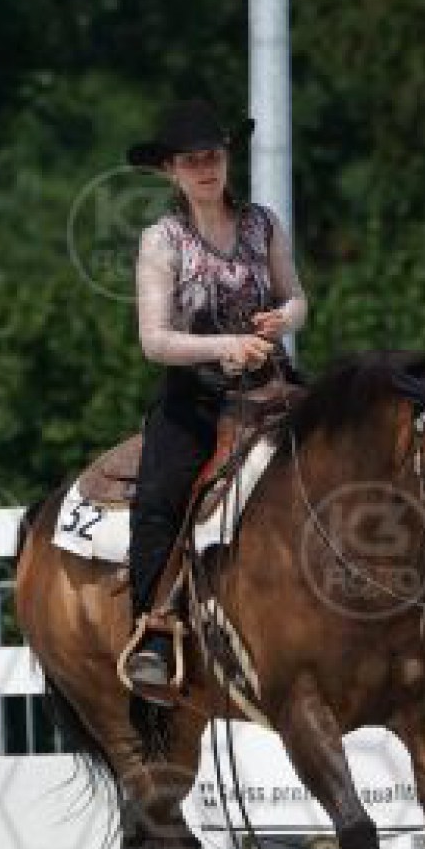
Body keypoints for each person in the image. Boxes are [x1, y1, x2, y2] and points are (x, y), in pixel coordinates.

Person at [120, 99, 310, 696]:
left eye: (213, 157)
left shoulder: (263, 224)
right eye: (190, 161)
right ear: (169, 171)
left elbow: (298, 298)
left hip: (272, 384)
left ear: (228, 159)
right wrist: (226, 344)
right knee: (159, 499)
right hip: (195, 398)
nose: (205, 169)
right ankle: (153, 629)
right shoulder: (162, 241)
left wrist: (283, 319)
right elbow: (154, 341)